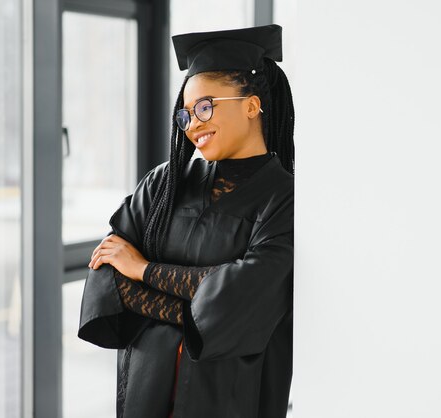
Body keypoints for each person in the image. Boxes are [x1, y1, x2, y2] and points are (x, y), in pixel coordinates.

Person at [77, 23, 295, 418]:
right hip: (146, 389)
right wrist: (194, 300)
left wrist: (143, 270)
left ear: (250, 105)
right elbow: (107, 274)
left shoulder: (285, 198)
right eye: (185, 114)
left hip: (230, 398)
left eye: (205, 107)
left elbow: (245, 299)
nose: (192, 124)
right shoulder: (165, 183)